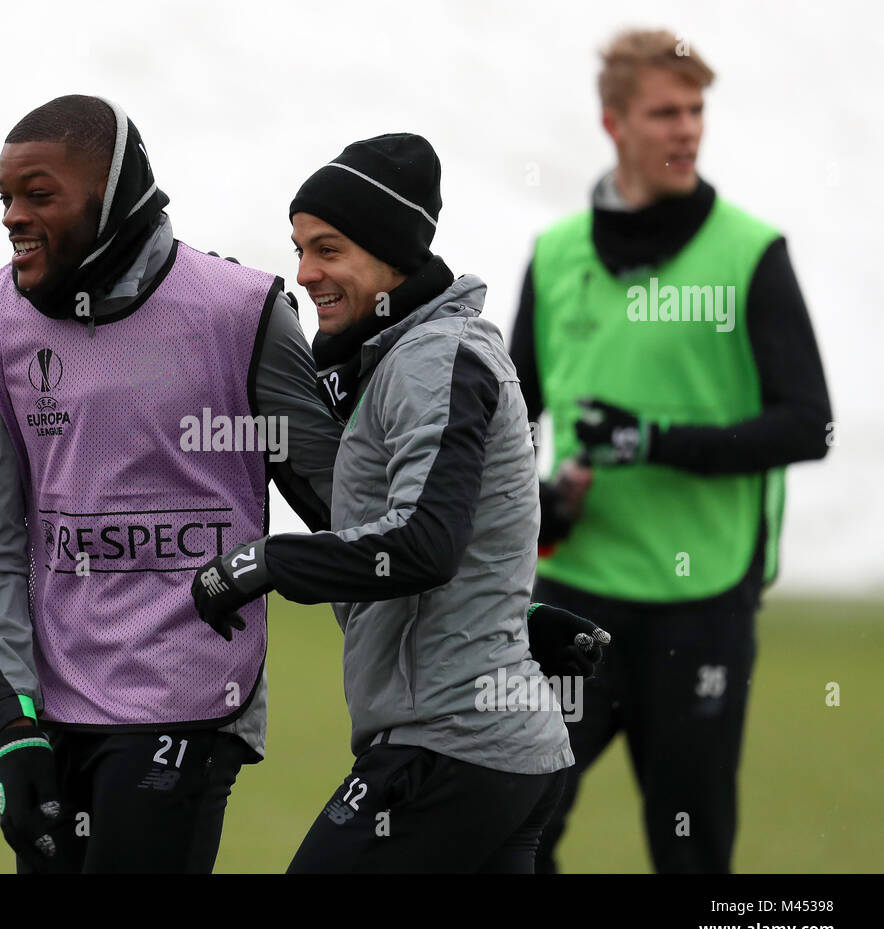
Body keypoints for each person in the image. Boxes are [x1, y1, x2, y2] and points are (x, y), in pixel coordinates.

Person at [191, 134, 609, 873]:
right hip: (491, 754)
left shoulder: (433, 359)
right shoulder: (399, 360)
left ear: (393, 257)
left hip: (452, 747)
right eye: (299, 249)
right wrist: (522, 616)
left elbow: (422, 545)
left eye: (328, 250)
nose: (305, 273)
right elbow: (452, 538)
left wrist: (267, 562)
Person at [0, 94, 341, 873]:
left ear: (113, 193)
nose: (12, 218)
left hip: (187, 704)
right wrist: (15, 731)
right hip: (55, 713)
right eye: (5, 198)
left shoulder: (240, 312)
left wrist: (506, 611)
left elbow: (353, 514)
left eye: (39, 195)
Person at [509, 29, 833, 873]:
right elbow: (507, 424)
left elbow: (809, 423)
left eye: (695, 111)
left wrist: (654, 441)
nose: (686, 130)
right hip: (574, 596)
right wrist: (541, 497)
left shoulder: (750, 254)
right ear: (615, 123)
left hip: (705, 604)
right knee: (512, 823)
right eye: (665, 113)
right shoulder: (555, 256)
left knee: (691, 852)